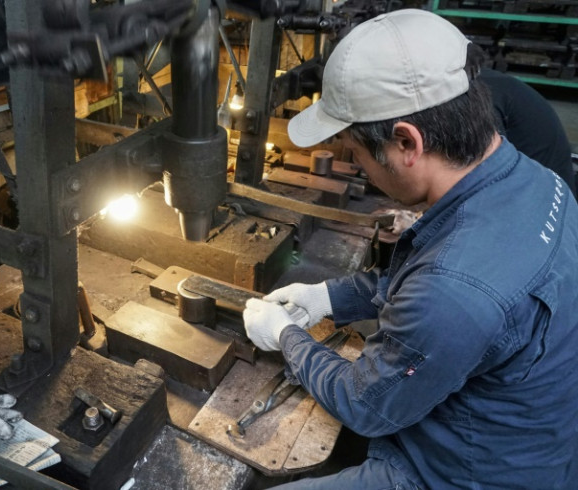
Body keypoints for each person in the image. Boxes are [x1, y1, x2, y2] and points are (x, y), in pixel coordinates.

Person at [243, 9, 578, 490]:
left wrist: (287, 339)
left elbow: (366, 404)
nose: (356, 168)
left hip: (466, 472)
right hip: (527, 434)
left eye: (355, 155)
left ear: (406, 142)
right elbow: (431, 277)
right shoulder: (533, 179)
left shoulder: (455, 290)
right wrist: (328, 297)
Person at [478, 63, 576, 198]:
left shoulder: (482, 93)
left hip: (545, 199)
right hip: (535, 186)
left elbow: (484, 175)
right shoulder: (486, 80)